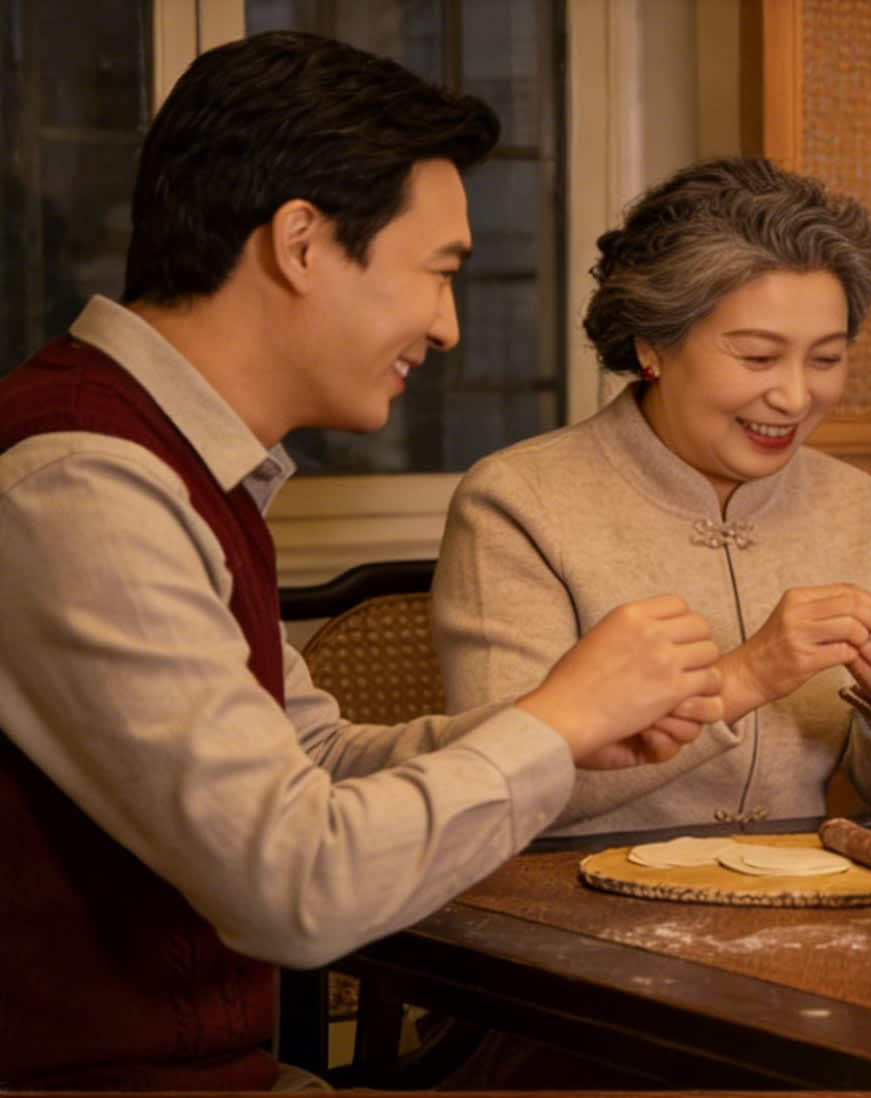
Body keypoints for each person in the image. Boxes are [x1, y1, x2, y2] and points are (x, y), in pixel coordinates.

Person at [0, 32, 723, 1090]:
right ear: (300, 243)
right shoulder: (80, 482)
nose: (449, 328)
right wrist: (549, 723)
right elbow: (293, 884)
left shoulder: (183, 462)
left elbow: (312, 766)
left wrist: (562, 736)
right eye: (436, 273)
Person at [433, 157, 871, 833]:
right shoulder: (520, 502)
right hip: (566, 912)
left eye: (826, 358)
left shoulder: (854, 505)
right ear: (653, 343)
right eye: (756, 356)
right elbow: (505, 785)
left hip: (795, 905)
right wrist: (745, 676)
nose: (796, 395)